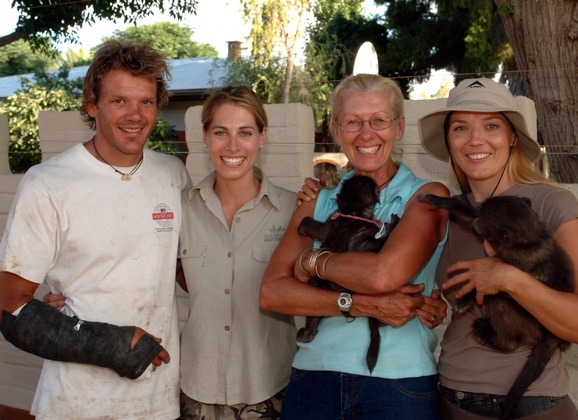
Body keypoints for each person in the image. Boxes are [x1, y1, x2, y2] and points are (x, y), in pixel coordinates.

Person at [0, 41, 190, 419]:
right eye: (119, 101)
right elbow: (9, 304)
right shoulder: (48, 183)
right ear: (92, 106)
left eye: (146, 102)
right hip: (76, 402)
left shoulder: (173, 174)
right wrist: (113, 344)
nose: (135, 115)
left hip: (158, 398)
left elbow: (186, 268)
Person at [259, 73, 450, 420]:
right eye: (352, 122)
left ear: (399, 126)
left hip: (398, 383)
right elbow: (273, 292)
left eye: (379, 120)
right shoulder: (317, 198)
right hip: (313, 378)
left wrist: (310, 263)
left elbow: (384, 275)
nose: (366, 133)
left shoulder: (426, 196)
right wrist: (363, 305)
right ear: (335, 130)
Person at [417, 77, 578, 419]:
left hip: (535, 404)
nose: (476, 140)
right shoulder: (447, 211)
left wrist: (508, 278)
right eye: (461, 127)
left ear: (512, 138)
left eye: (491, 126)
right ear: (449, 140)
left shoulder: (551, 203)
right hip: (452, 400)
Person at [176, 86, 297, 419]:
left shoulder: (293, 209)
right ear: (204, 136)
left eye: (245, 132)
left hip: (271, 389)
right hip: (197, 391)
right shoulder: (180, 211)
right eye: (220, 132)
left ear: (262, 137)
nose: (232, 146)